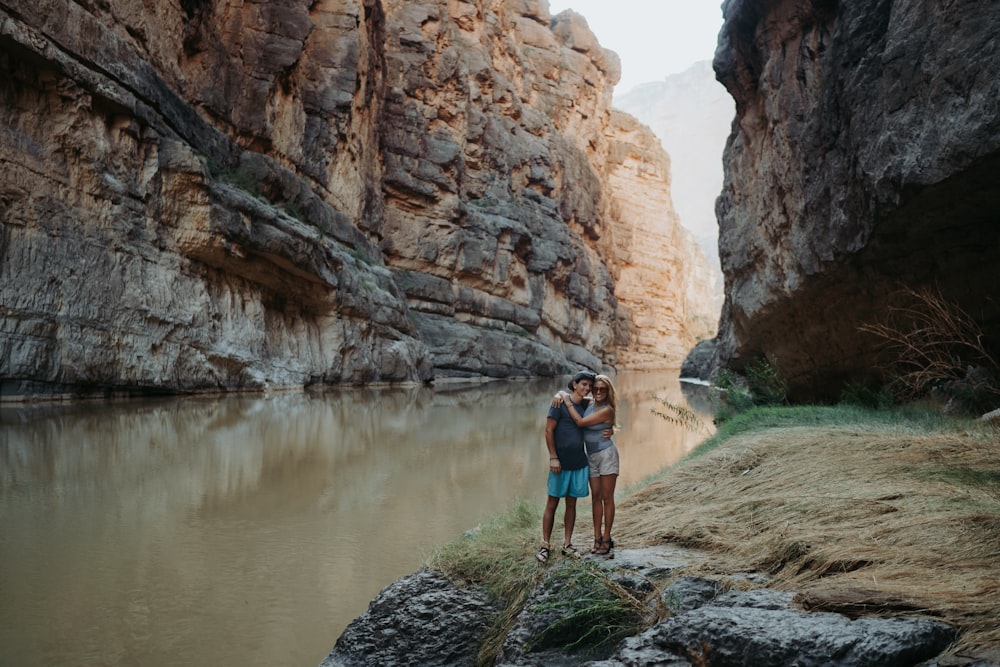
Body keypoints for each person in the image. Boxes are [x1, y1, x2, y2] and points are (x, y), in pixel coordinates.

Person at [558, 374, 619, 557]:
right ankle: (596, 537)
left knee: (607, 498)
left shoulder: (607, 409)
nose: (598, 392)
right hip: (591, 456)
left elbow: (581, 422)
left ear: (608, 391)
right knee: (595, 498)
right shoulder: (590, 403)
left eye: (602, 389)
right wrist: (560, 394)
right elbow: (572, 395)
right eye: (596, 388)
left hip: (606, 455)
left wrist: (567, 404)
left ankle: (607, 539)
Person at [536, 370, 594, 563]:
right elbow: (548, 431)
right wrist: (553, 457)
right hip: (559, 463)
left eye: (590, 386)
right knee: (552, 503)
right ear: (575, 384)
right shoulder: (558, 404)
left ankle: (567, 544)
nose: (587, 388)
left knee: (571, 504)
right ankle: (545, 545)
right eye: (584, 384)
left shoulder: (587, 406)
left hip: (579, 462)